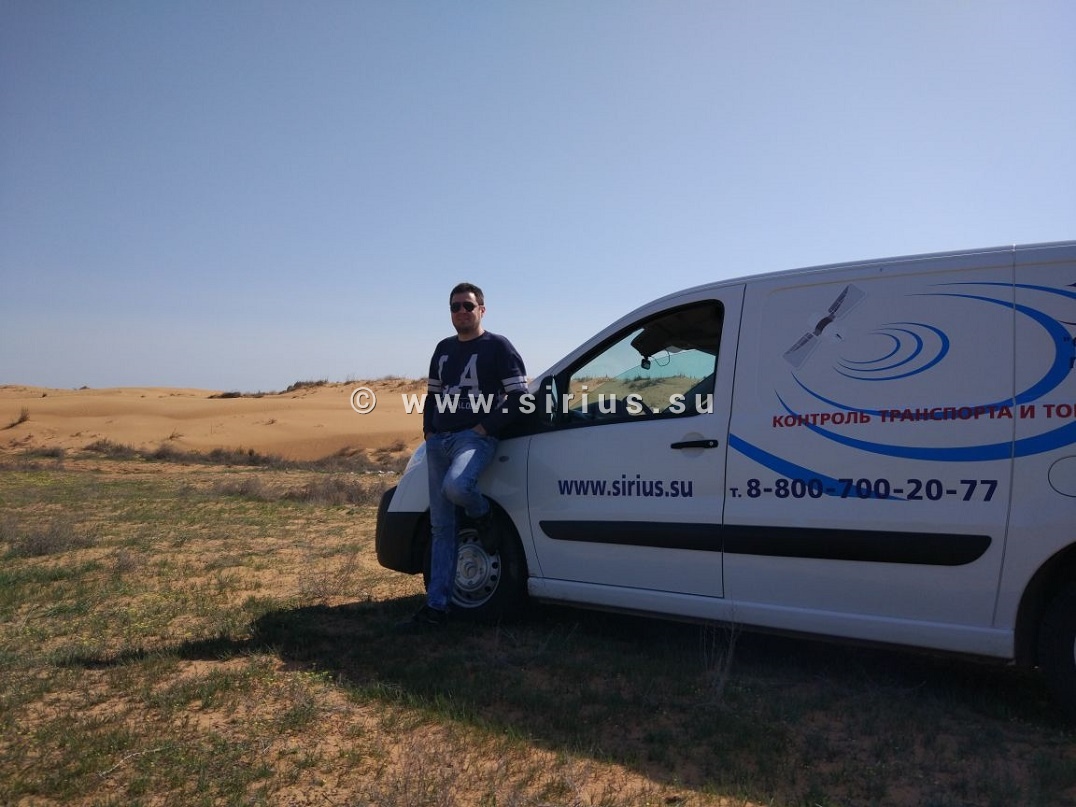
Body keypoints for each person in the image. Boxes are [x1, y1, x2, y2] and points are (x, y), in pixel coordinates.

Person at [410, 282, 528, 628]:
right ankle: (437, 606)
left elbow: (520, 397)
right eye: (455, 307)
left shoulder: (499, 346)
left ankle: (482, 514)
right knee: (441, 526)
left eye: (468, 306)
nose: (461, 312)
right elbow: (433, 395)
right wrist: (428, 431)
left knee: (458, 487)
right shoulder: (443, 349)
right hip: (439, 441)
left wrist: (483, 428)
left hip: (473, 440)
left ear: (482, 310)